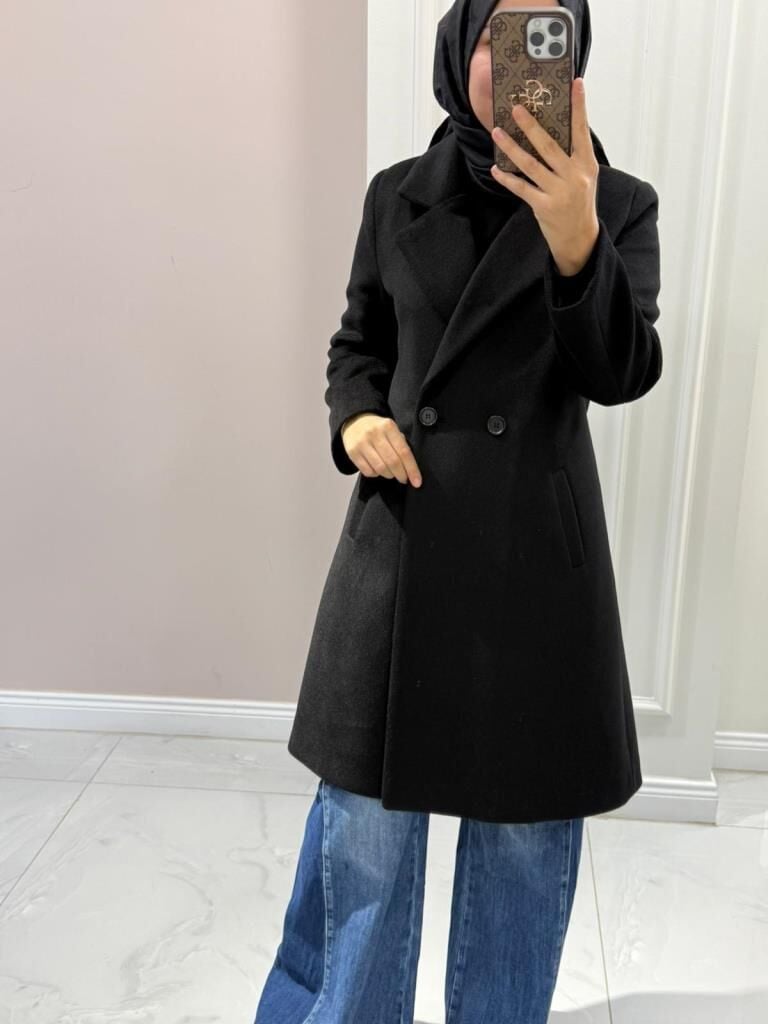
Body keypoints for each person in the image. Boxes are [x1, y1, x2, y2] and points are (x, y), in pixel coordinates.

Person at [255, 0, 662, 1020]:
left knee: (523, 844)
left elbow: (622, 374)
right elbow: (358, 344)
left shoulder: (619, 204)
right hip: (397, 553)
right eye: (494, 35)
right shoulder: (398, 193)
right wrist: (356, 419)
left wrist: (577, 244)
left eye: (544, 34)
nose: (513, 58)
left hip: (536, 571)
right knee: (364, 836)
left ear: (573, 59)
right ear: (456, 46)